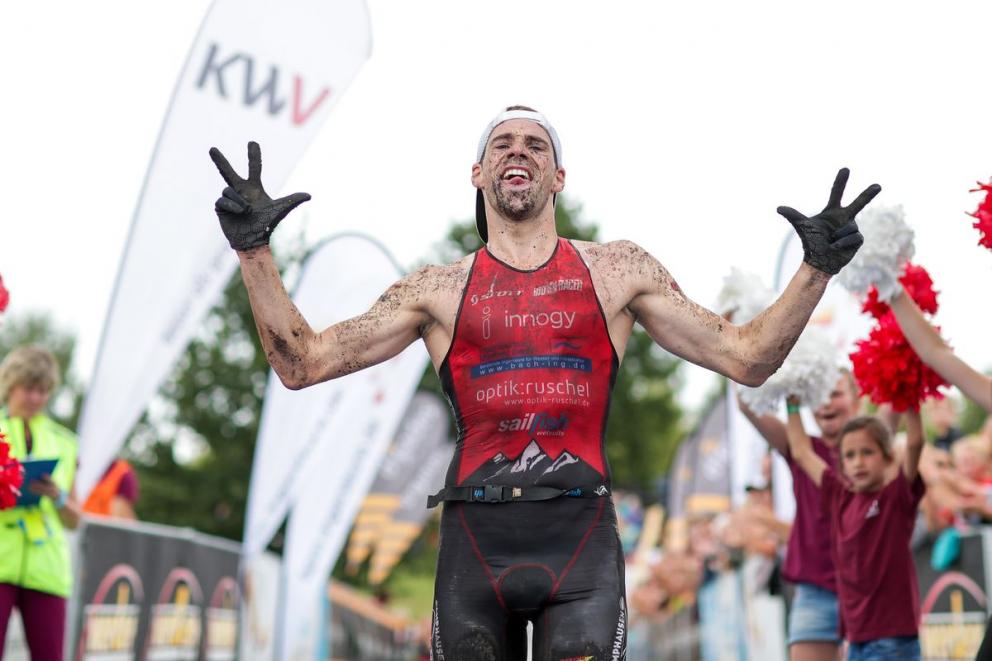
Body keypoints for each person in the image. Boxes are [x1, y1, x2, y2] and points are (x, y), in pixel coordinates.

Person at [208, 105, 879, 658]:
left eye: (534, 143)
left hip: (579, 536)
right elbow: (305, 363)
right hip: (475, 542)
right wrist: (254, 253)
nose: (517, 150)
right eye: (501, 143)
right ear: (477, 172)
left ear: (559, 176)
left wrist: (814, 268)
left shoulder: (619, 271)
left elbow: (747, 356)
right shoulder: (437, 289)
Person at [785, 400, 925, 661]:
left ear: (888, 456)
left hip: (892, 641)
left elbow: (915, 442)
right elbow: (802, 453)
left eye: (867, 452)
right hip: (856, 641)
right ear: (842, 464)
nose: (858, 462)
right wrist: (792, 403)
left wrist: (909, 396)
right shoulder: (839, 497)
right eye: (850, 455)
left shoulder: (896, 497)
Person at [738, 373, 859, 661]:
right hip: (814, 590)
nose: (827, 404)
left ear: (857, 399)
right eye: (819, 396)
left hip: (866, 587)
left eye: (837, 394)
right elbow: (746, 403)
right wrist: (734, 340)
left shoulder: (875, 454)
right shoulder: (801, 447)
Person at [0, 346, 81, 660]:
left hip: (46, 569)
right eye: (29, 389)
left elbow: (74, 520)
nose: (36, 398)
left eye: (43, 391)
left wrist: (57, 496)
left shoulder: (65, 442)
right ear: (10, 385)